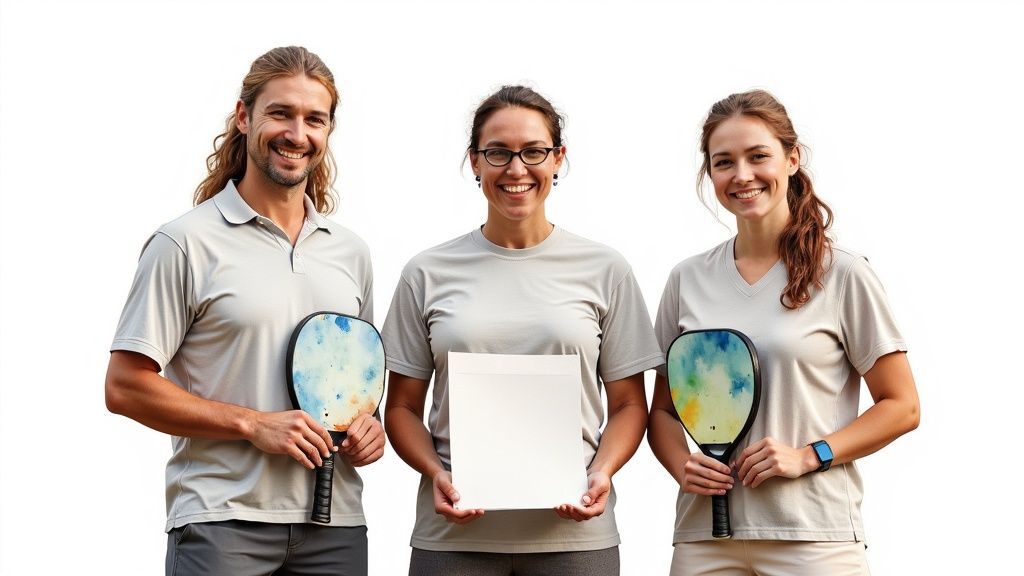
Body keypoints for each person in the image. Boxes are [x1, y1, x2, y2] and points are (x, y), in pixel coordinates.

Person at [105, 46, 383, 576]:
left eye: (314, 119)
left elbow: (357, 381)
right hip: (221, 523)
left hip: (338, 524)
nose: (296, 133)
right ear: (243, 117)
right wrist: (252, 424)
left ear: (327, 132)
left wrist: (370, 428)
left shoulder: (351, 252)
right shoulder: (184, 243)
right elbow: (124, 386)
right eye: (280, 113)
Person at [381, 85, 663, 576]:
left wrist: (601, 472)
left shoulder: (605, 269)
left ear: (558, 159)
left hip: (575, 538)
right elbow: (402, 407)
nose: (516, 169)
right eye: (498, 153)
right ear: (474, 162)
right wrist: (436, 473)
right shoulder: (426, 271)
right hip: (453, 537)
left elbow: (629, 405)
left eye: (534, 151)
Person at [647, 89, 921, 576]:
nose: (742, 175)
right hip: (704, 538)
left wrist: (809, 455)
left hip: (813, 538)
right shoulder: (686, 280)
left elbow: (902, 406)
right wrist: (680, 466)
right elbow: (664, 412)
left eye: (758, 156)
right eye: (723, 162)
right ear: (709, 173)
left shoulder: (843, 274)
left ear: (792, 159)